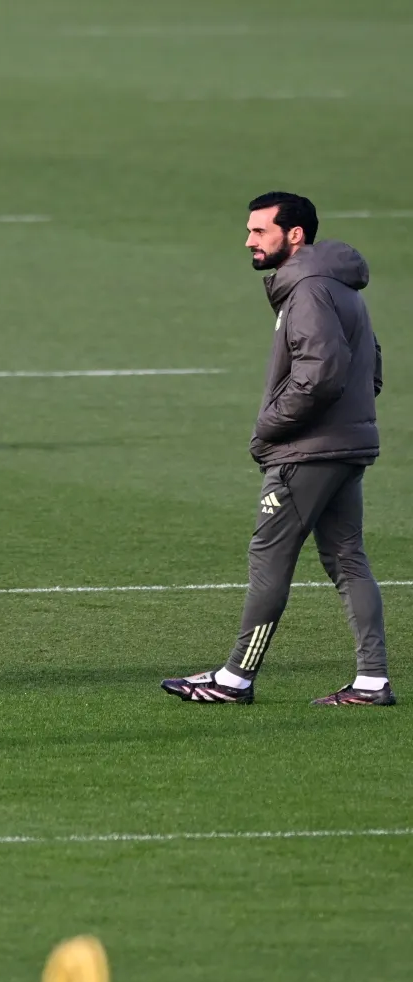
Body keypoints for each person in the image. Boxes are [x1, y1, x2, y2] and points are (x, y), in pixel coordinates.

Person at [162, 192, 390, 706]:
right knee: (348, 559)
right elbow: (371, 369)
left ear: (294, 235)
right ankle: (372, 681)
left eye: (259, 231)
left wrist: (269, 428)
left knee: (270, 558)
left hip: (306, 452)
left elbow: (319, 376)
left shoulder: (308, 291)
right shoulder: (341, 288)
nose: (248, 240)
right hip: (346, 445)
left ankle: (235, 678)